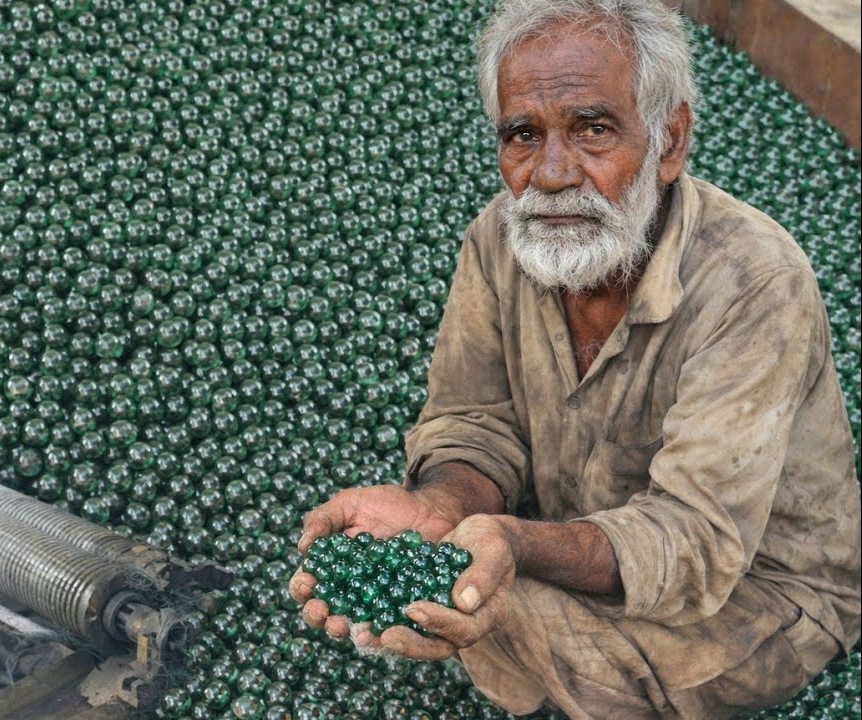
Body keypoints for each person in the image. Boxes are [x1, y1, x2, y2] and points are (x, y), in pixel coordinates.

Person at [289, 1, 860, 717]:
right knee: (460, 588)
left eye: (594, 130)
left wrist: (511, 546)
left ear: (670, 140)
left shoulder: (755, 280)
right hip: (574, 532)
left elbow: (696, 537)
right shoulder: (495, 244)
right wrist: (443, 508)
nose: (553, 173)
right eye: (523, 135)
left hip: (756, 590)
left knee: (493, 607)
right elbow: (474, 423)